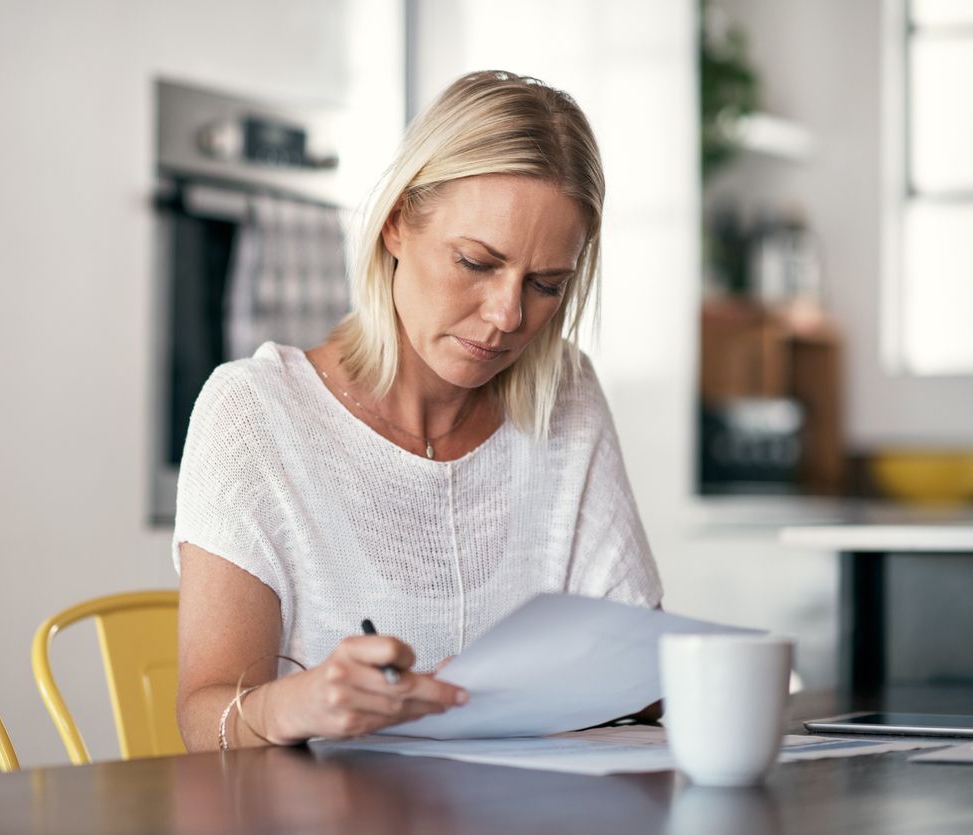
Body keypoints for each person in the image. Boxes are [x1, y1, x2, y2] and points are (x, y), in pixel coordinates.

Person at [173, 70, 663, 751]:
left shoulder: (564, 392)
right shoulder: (254, 411)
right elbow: (204, 720)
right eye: (474, 262)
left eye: (546, 284)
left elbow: (642, 671)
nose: (506, 316)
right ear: (398, 221)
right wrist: (294, 703)